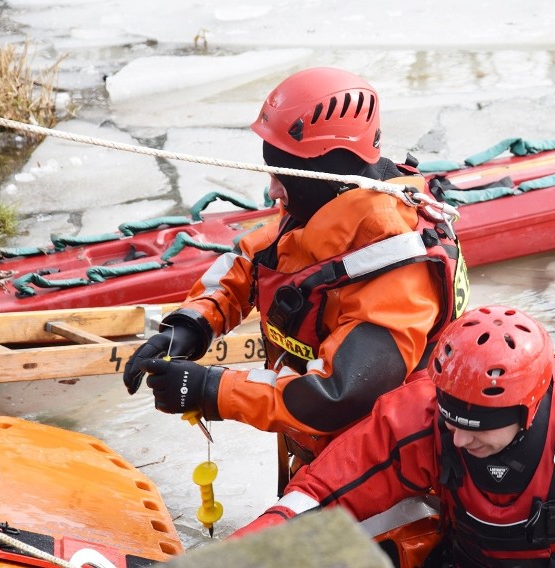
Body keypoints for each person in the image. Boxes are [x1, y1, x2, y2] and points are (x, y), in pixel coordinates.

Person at [122, 67, 470, 491]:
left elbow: (340, 394)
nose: (272, 191)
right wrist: (190, 326)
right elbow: (253, 260)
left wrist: (211, 390)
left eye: (281, 177)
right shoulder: (330, 211)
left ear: (328, 170)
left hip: (384, 474)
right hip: (317, 454)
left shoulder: (398, 268)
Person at [234, 305, 555, 568]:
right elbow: (321, 494)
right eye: (451, 424)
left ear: (530, 408)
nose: (459, 443)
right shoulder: (418, 418)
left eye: (478, 431)